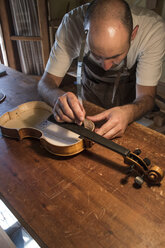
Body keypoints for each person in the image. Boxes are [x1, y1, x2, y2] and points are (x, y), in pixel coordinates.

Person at [38, 0, 165, 139]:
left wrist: (129, 113)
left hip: (129, 105)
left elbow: (146, 98)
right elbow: (45, 83)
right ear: (85, 35)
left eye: (116, 56)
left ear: (133, 34)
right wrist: (57, 98)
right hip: (89, 104)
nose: (106, 67)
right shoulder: (71, 24)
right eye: (97, 55)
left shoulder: (153, 30)